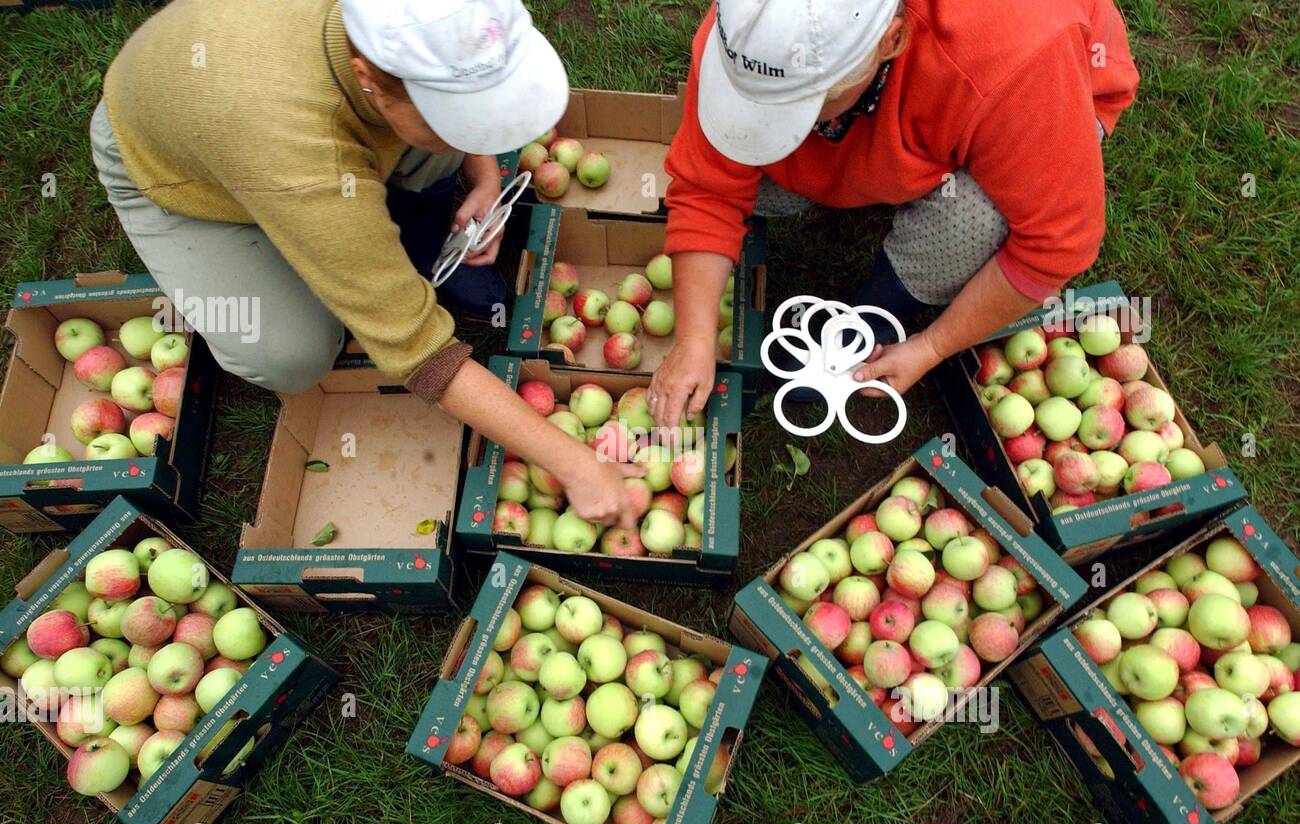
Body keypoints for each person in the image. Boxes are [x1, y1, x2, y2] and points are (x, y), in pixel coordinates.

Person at [92, 0, 642, 528]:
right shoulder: (301, 148)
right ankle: (319, 248)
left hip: (261, 111)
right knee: (294, 352)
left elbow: (449, 83)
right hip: (175, 166)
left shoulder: (394, 21)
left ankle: (403, 248)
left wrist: (485, 169)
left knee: (414, 152)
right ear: (368, 79)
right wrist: (575, 463)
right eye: (459, 119)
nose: (477, 134)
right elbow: (419, 352)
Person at [646, 0, 1139, 428]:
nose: (770, 121)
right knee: (741, 148)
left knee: (978, 216)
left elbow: (1057, 246)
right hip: (910, 106)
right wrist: (694, 339)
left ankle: (883, 308)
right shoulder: (758, 27)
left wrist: (930, 347)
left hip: (1023, 94)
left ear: (892, 40)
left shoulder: (1017, 63)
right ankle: (870, 166)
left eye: (802, 104)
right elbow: (707, 185)